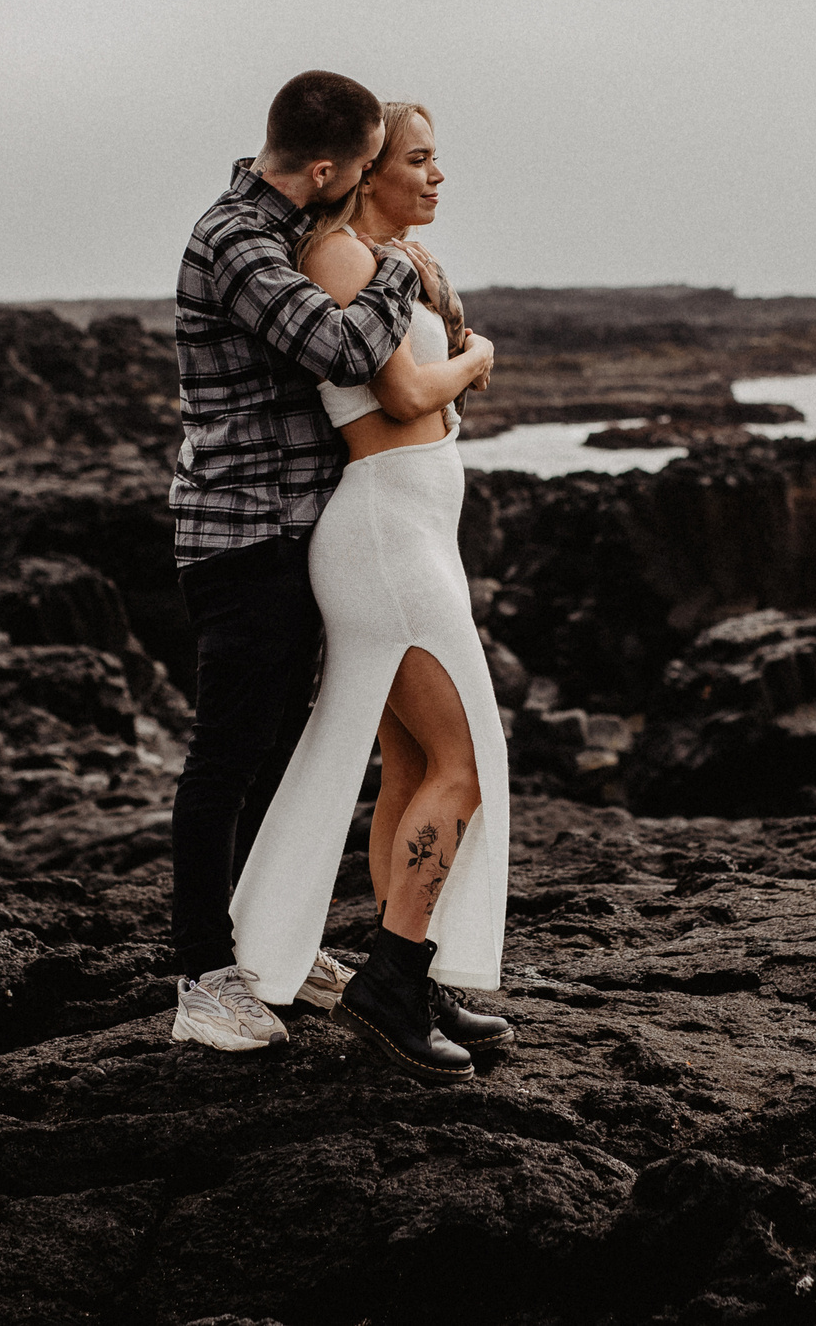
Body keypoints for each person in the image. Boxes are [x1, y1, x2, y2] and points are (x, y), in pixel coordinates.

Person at [229, 102, 513, 1082]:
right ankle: (389, 985)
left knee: (408, 763)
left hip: (411, 530)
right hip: (386, 535)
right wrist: (473, 360)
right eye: (421, 161)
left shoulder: (389, 264)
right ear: (368, 168)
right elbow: (398, 396)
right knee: (463, 766)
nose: (438, 178)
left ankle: (410, 970)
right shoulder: (341, 256)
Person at [165, 70, 423, 1053]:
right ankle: (203, 979)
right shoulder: (235, 239)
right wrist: (396, 263)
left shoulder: (280, 233)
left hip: (289, 535)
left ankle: (270, 946)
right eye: (359, 166)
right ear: (322, 165)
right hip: (238, 536)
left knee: (283, 756)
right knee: (226, 760)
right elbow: (344, 347)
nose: (361, 183)